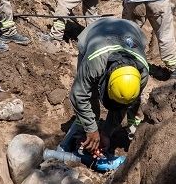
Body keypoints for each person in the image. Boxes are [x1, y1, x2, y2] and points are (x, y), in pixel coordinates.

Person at [58, 18, 149, 159]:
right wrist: (91, 129)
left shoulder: (142, 73)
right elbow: (79, 94)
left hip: (132, 32)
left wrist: (106, 133)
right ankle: (86, 123)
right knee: (90, 90)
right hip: (96, 33)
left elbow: (124, 105)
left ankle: (125, 128)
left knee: (130, 101)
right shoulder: (94, 63)